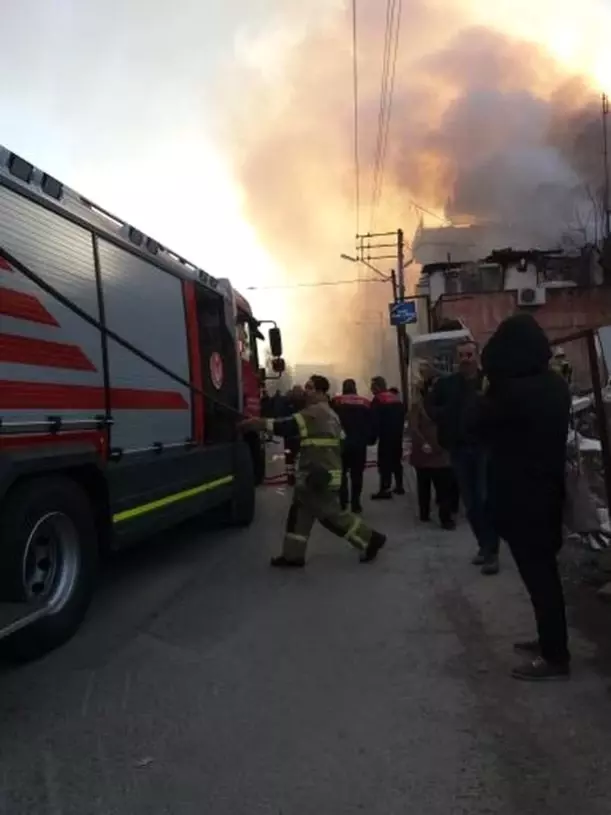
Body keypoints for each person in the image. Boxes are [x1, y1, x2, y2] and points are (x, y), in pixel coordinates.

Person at [476, 314, 571, 681]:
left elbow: (475, 427)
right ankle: (550, 640)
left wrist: (487, 391)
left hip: (520, 497)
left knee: (539, 578)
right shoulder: (555, 385)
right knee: (544, 573)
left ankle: (555, 655)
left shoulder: (508, 391)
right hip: (547, 491)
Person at [239, 375, 387, 567]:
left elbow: (284, 426)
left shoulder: (314, 412)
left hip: (318, 476)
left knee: (332, 516)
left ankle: (370, 539)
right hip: (317, 474)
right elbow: (341, 442)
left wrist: (255, 423)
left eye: (309, 388)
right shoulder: (330, 413)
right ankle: (293, 555)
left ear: (320, 392)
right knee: (300, 513)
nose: (305, 391)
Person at [429, 340, 500, 575]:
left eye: (470, 354)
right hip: (459, 450)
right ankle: (484, 546)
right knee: (470, 504)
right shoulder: (448, 385)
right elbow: (431, 407)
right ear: (457, 358)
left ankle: (491, 552)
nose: (466, 359)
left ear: (476, 355)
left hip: (484, 449)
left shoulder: (489, 382)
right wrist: (445, 416)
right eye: (462, 355)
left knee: (484, 499)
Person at [409, 362, 456, 530]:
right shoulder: (419, 405)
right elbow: (414, 427)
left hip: (438, 450)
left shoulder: (443, 405)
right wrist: (424, 443)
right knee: (431, 486)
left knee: (439, 487)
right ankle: (430, 514)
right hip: (430, 451)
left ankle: (440, 516)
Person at [331, 378, 372, 513]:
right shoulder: (365, 403)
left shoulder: (336, 402)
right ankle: (356, 503)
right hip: (359, 445)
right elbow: (371, 423)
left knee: (341, 474)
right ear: (355, 388)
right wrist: (370, 439)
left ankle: (343, 502)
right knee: (357, 474)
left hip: (340, 444)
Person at [370, 376, 406, 500]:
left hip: (385, 436)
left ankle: (384, 489)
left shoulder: (378, 399)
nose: (371, 389)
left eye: (372, 386)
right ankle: (399, 486)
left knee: (384, 463)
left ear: (378, 387)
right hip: (397, 435)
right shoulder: (395, 398)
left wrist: (372, 437)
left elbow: (374, 420)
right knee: (396, 461)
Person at [282, 385, 306, 486]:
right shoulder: (304, 403)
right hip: (299, 436)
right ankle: (297, 477)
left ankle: (290, 478)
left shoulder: (287, 402)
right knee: (299, 457)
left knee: (289, 458)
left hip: (289, 436)